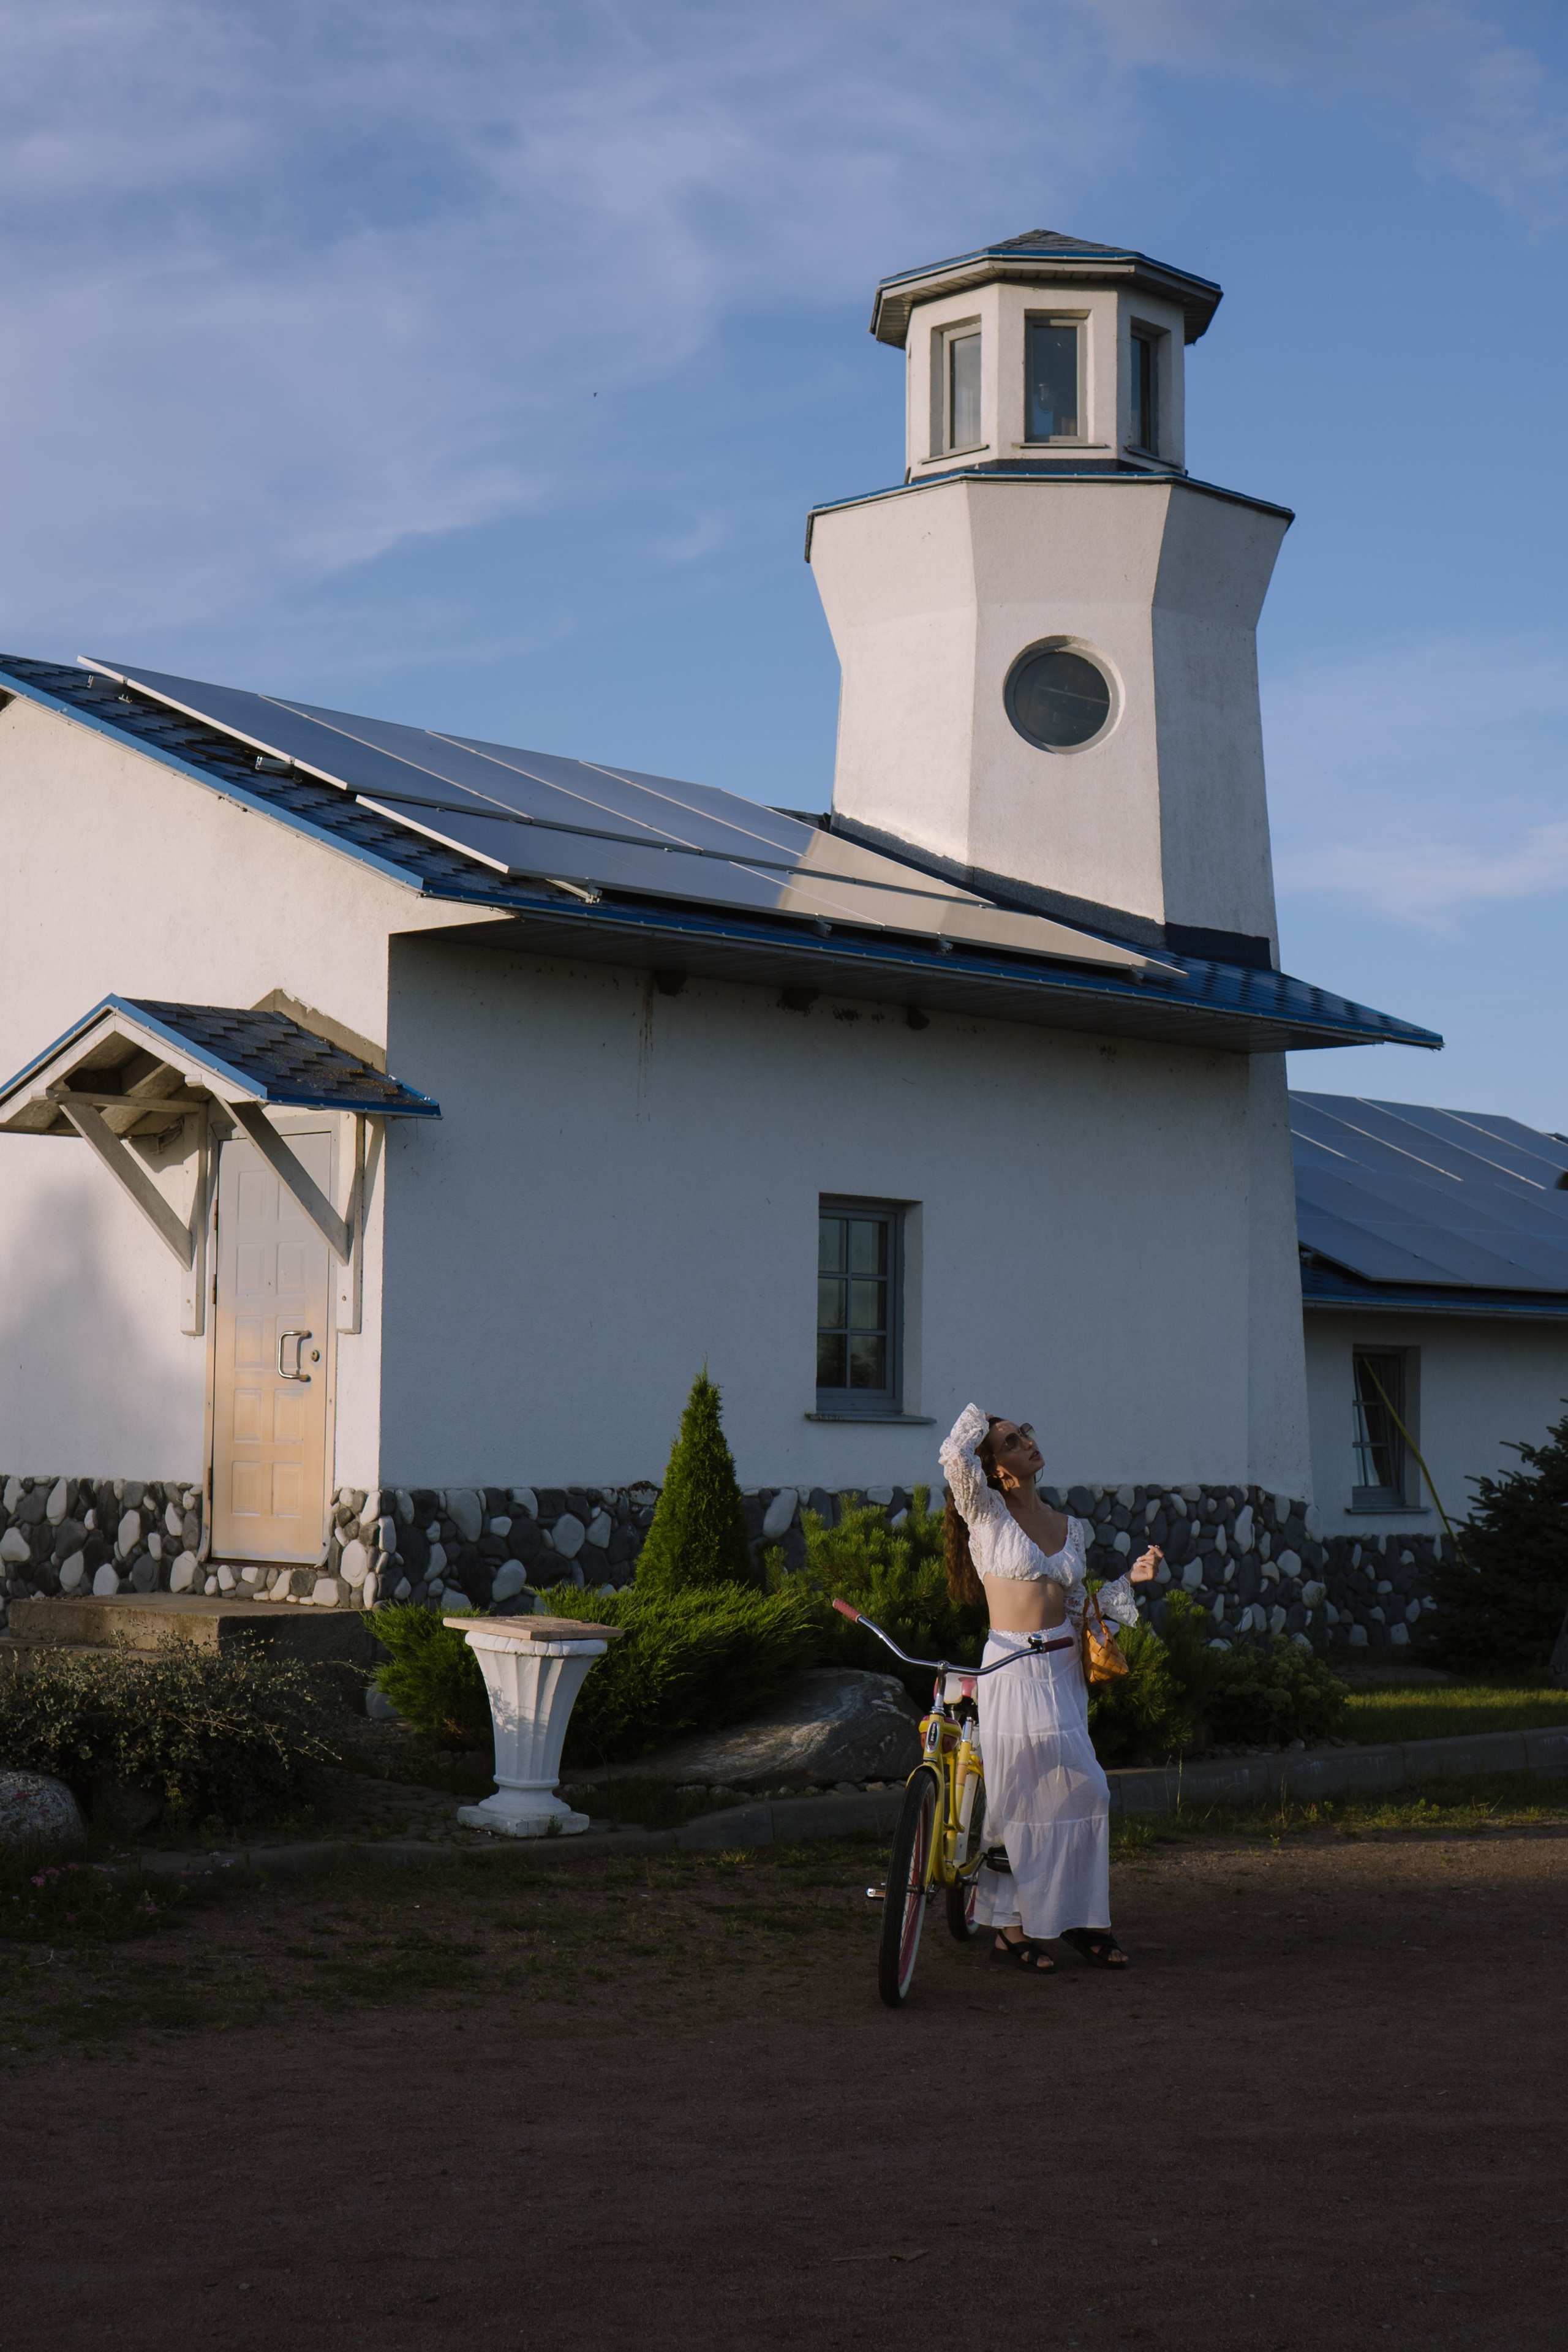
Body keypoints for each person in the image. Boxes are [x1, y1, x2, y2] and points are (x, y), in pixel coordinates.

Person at [940, 1401, 1162, 1973]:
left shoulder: (1072, 1528)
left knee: (1088, 1792)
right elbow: (952, 1455)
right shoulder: (984, 1513)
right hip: (1011, 1668)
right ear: (996, 1471)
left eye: (1024, 1435)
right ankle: (1012, 1932)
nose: (1027, 1444)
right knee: (1018, 1800)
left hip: (1061, 1671)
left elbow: (1074, 1611)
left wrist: (1127, 1583)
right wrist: (983, 1419)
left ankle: (1085, 1921)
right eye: (1012, 1443)